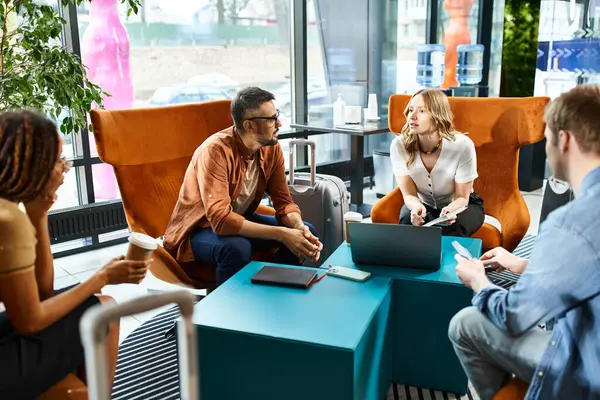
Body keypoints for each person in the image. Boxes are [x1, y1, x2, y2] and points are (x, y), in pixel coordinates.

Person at [448, 85, 600, 399]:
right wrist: (524, 265)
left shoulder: (572, 223)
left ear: (565, 140)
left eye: (547, 139)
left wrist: (478, 281)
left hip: (585, 372)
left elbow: (513, 316)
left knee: (465, 323)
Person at [0, 110, 152, 398]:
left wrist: (38, 213)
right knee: (100, 312)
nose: (66, 168)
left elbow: (43, 294)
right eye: (58, 159)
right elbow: (30, 321)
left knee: (102, 304)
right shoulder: (7, 220)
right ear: (34, 164)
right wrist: (102, 277)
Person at [164, 87, 323, 286]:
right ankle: (227, 312)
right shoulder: (215, 151)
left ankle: (272, 293)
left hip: (239, 219)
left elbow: (284, 203)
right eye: (272, 119)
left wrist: (298, 228)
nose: (279, 123)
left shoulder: (271, 149)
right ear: (249, 125)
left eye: (277, 116)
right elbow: (221, 221)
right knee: (236, 247)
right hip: (197, 230)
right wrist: (282, 234)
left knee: (308, 230)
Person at [390, 88, 484, 237]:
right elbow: (408, 195)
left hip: (461, 205)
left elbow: (462, 198)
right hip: (423, 203)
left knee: (454, 227)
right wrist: (416, 207)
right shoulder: (398, 146)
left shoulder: (463, 145)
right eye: (410, 110)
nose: (412, 117)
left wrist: (450, 210)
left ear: (437, 116)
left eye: (421, 111)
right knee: (408, 222)